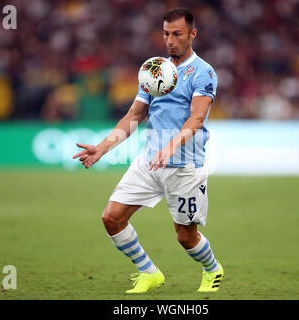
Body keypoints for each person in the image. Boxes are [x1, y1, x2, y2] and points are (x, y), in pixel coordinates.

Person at [73, 8, 223, 294]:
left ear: (192, 34)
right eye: (166, 33)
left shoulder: (203, 72)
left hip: (184, 165)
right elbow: (134, 115)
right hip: (150, 161)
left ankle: (213, 268)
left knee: (185, 237)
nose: (170, 40)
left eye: (177, 34)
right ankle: (149, 272)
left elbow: (197, 118)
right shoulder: (154, 68)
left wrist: (171, 146)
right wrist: (102, 148)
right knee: (111, 218)